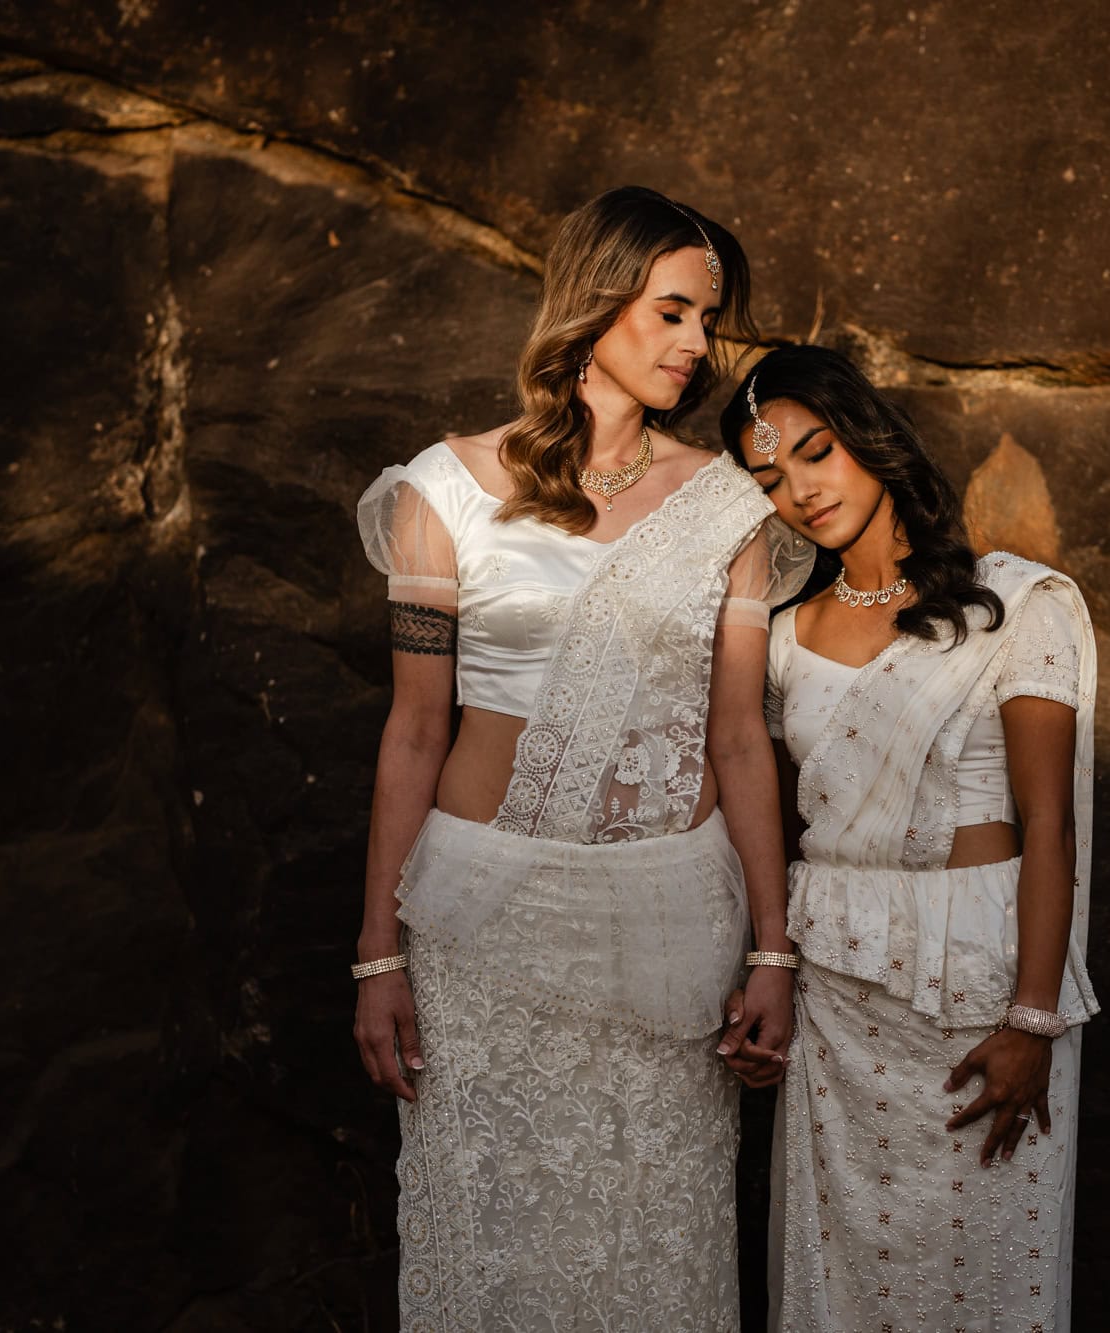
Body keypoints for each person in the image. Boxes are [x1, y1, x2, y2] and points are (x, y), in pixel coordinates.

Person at [351, 186, 811, 1331]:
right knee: (493, 1246)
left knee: (649, 1252)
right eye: (670, 312)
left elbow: (739, 738)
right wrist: (375, 959)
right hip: (478, 929)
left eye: (707, 320)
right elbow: (415, 729)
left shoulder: (725, 506)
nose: (696, 344)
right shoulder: (445, 490)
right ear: (596, 303)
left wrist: (771, 949)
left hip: (667, 932)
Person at [718, 345, 1100, 1332]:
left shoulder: (1013, 604)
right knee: (844, 1276)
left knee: (978, 1277)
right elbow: (756, 800)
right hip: (835, 998)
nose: (800, 489)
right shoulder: (783, 632)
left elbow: (1047, 825)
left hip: (975, 988)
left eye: (816, 452)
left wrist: (1031, 1022)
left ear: (869, 441)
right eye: (770, 478)